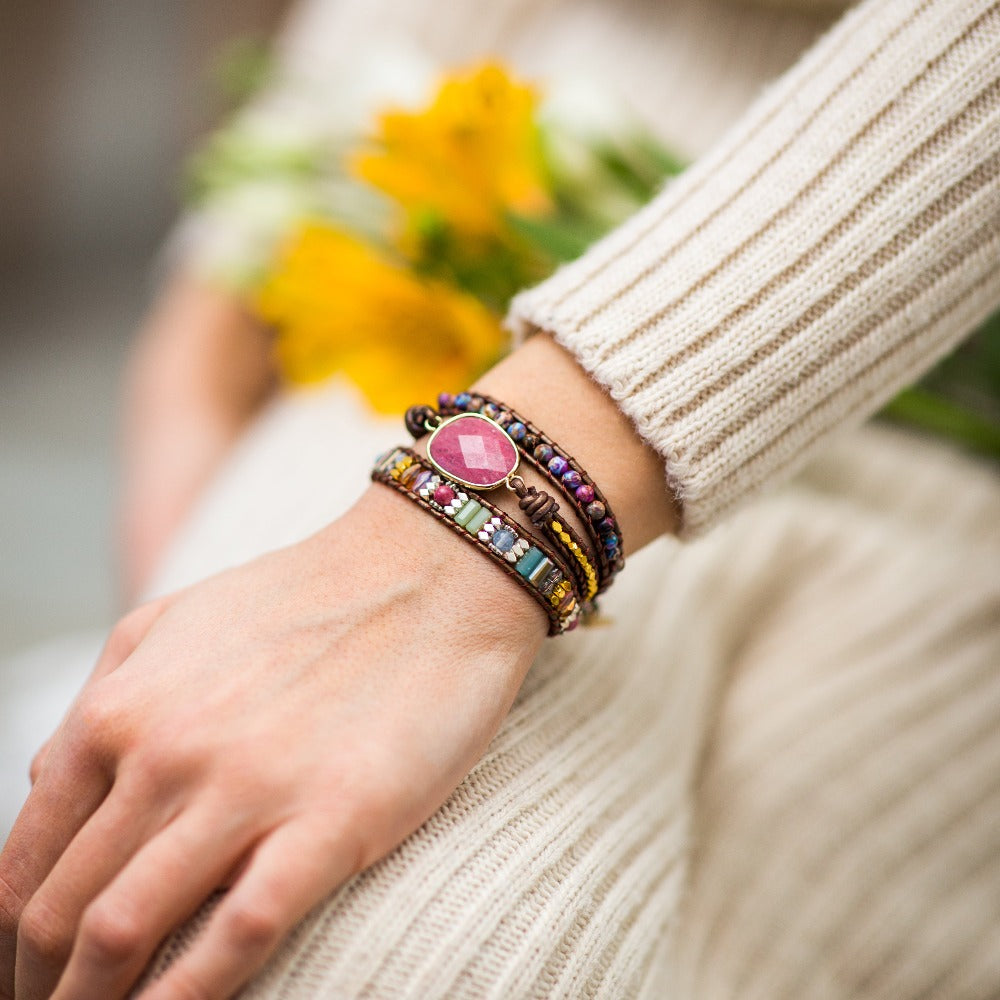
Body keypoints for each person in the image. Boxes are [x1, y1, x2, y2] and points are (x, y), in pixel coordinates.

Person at [2, 0, 999, 997]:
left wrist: (458, 543)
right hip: (487, 286)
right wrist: (219, 308)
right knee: (256, 932)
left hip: (955, 424)